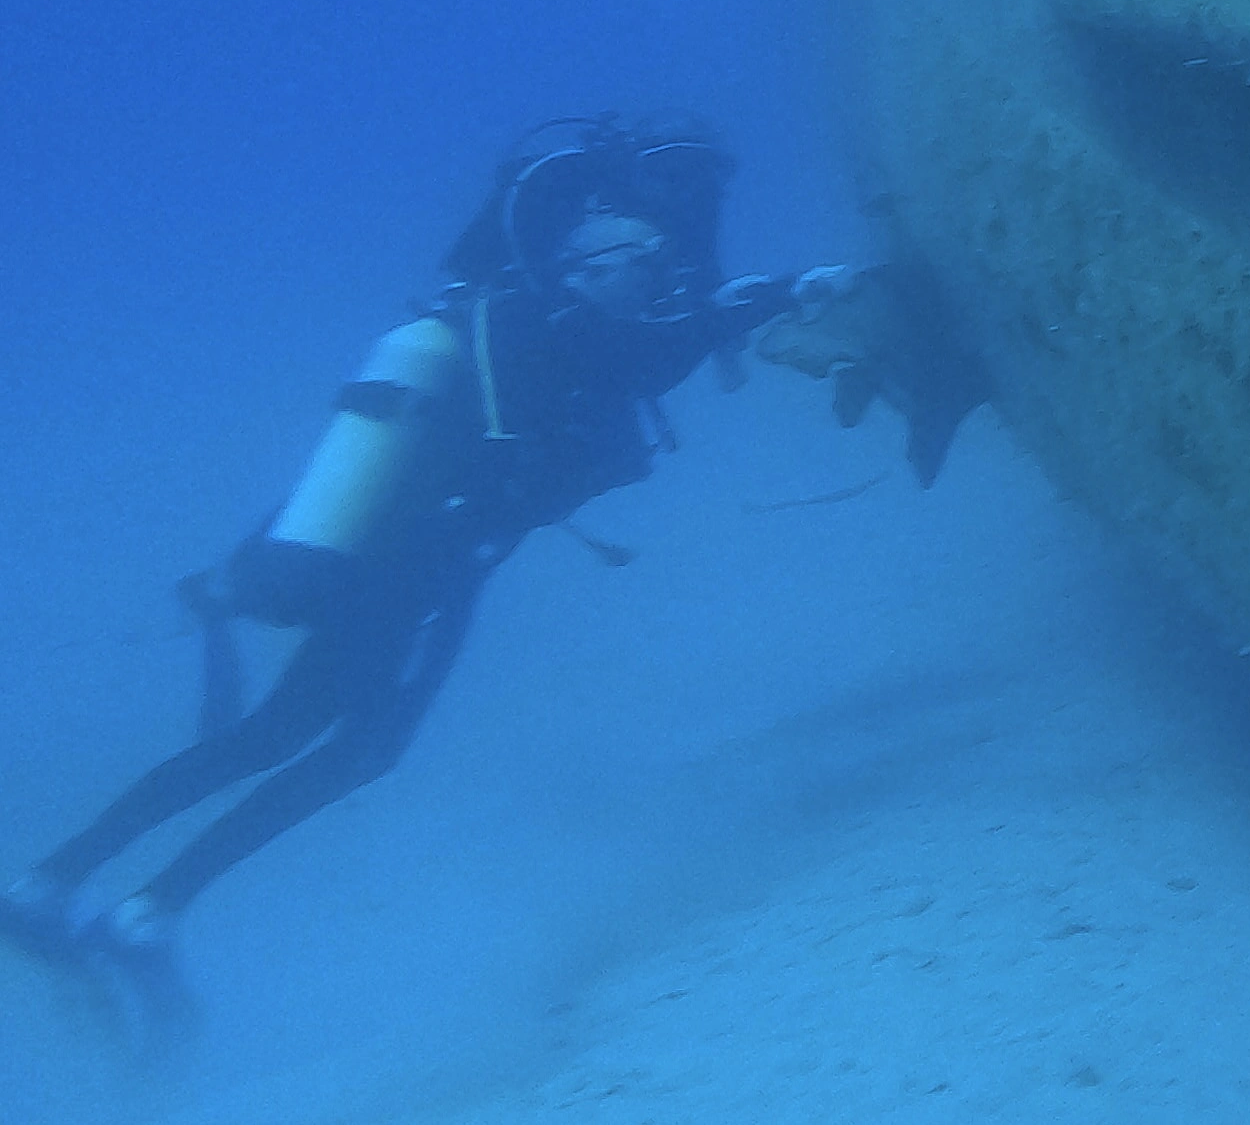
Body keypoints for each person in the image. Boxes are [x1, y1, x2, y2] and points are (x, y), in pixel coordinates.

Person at [1, 115, 966, 1046]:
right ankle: (132, 905)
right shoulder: (534, 314)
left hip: (419, 562)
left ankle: (83, 889)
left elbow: (649, 355)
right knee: (342, 746)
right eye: (643, 267)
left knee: (293, 738)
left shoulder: (540, 327)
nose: (659, 282)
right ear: (585, 265)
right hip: (415, 564)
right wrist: (781, 287)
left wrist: (755, 293)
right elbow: (648, 349)